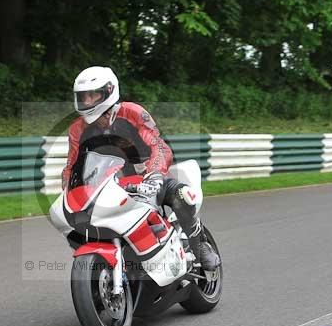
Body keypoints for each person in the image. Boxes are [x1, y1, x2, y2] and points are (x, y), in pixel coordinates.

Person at [61, 66, 220, 271]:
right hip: (109, 188)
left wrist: (153, 176)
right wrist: (68, 191)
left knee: (182, 195)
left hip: (149, 179)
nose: (88, 102)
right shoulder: (77, 129)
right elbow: (72, 164)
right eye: (84, 97)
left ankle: (200, 246)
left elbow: (159, 146)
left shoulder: (132, 112)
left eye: (93, 95)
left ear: (109, 92)